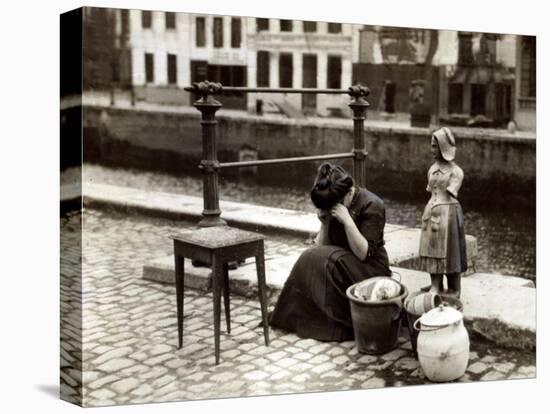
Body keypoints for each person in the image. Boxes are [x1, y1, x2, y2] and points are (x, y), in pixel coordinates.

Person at [269, 163, 392, 341]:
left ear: (350, 193)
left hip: (370, 268)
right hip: (342, 264)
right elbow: (322, 248)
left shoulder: (373, 204)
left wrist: (347, 221)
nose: (332, 208)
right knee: (310, 257)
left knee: (323, 259)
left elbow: (364, 254)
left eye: (334, 205)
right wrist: (325, 223)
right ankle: (291, 316)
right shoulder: (334, 202)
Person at [419, 127, 467, 298]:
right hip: (432, 211)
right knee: (431, 248)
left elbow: (451, 191)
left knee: (450, 250)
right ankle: (435, 285)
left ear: (443, 147)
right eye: (431, 146)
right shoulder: (431, 169)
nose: (431, 150)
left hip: (449, 213)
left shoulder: (456, 172)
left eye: (434, 146)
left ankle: (454, 288)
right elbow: (431, 190)